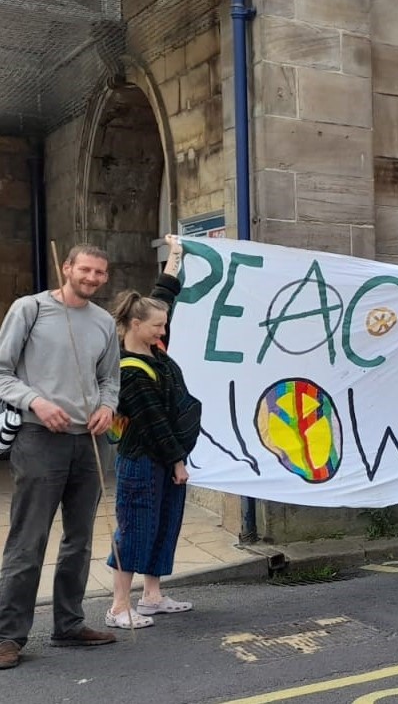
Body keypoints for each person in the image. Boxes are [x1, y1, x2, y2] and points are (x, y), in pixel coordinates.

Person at [0, 244, 120, 669]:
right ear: (67, 268)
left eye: (100, 272)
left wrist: (107, 407)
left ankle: (69, 624)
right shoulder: (29, 309)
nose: (92, 278)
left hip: (88, 442)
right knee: (28, 539)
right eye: (85, 269)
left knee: (80, 538)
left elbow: (110, 379)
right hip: (39, 437)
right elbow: (2, 371)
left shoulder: (104, 322)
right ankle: (7, 636)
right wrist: (35, 401)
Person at [105, 236, 201, 628]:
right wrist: (177, 462)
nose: (164, 330)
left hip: (164, 456)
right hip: (143, 459)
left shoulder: (154, 348)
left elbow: (163, 296)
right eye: (157, 326)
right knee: (135, 528)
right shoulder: (130, 369)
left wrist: (175, 256)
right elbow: (154, 423)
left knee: (163, 523)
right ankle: (119, 606)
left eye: (164, 324)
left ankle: (152, 596)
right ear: (135, 325)